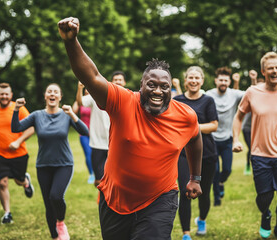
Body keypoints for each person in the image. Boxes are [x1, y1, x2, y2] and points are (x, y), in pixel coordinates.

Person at [58, 17, 203, 240]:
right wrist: (71, 42)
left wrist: (195, 177)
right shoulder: (123, 101)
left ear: (170, 89)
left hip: (160, 199)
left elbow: (195, 139)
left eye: (164, 86)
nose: (158, 91)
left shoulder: (185, 116)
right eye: (151, 85)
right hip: (115, 200)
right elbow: (91, 76)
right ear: (141, 86)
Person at [232, 52, 277, 239]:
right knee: (265, 197)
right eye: (270, 68)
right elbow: (239, 117)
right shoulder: (252, 92)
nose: (275, 71)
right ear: (264, 71)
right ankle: (266, 214)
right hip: (259, 153)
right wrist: (236, 139)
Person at [11, 83, 89, 240]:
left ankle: (60, 223)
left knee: (56, 197)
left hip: (64, 164)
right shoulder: (37, 115)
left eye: (56, 92)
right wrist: (16, 109)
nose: (52, 94)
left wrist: (73, 115)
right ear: (45, 96)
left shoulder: (66, 115)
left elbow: (85, 131)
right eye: (49, 92)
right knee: (48, 204)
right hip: (43, 165)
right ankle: (55, 237)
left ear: (60, 97)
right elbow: (16, 128)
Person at [0, 82, 35, 224]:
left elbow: (31, 128)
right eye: (1, 94)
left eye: (6, 94)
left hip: (19, 154)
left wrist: (18, 141)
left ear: (11, 95)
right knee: (2, 183)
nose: (4, 96)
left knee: (18, 180)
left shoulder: (19, 110)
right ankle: (7, 213)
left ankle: (25, 182)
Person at [173, 66, 218, 240]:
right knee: (185, 191)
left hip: (206, 154)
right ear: (185, 81)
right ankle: (186, 233)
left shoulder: (208, 101)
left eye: (197, 78)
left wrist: (193, 127)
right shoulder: (177, 100)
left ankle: (202, 220)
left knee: (204, 193)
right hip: (183, 154)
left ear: (202, 81)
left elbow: (214, 125)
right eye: (190, 78)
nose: (193, 81)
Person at [76, 71, 126, 188]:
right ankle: (103, 201)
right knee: (99, 181)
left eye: (120, 80)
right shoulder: (98, 95)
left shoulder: (128, 97)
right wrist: (79, 88)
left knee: (116, 179)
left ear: (124, 82)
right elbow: (80, 102)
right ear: (111, 82)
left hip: (116, 145)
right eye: (115, 80)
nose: (118, 82)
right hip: (97, 144)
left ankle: (111, 202)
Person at [206, 67, 244, 206]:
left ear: (229, 82)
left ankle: (221, 182)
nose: (223, 82)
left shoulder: (234, 94)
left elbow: (252, 94)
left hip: (227, 139)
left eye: (225, 80)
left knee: (227, 169)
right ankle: (216, 197)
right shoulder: (208, 95)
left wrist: (252, 79)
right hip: (212, 140)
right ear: (216, 81)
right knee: (214, 171)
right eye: (220, 80)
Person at [241, 70, 262, 175]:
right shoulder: (252, 97)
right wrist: (253, 79)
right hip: (247, 128)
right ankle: (249, 166)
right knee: (252, 148)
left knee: (256, 148)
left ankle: (256, 166)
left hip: (258, 129)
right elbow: (254, 90)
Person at [72, 90, 95, 184]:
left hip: (95, 133)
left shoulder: (95, 100)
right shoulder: (81, 101)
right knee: (88, 154)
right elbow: (73, 111)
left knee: (97, 154)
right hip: (83, 133)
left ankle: (100, 173)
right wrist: (79, 96)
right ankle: (91, 174)